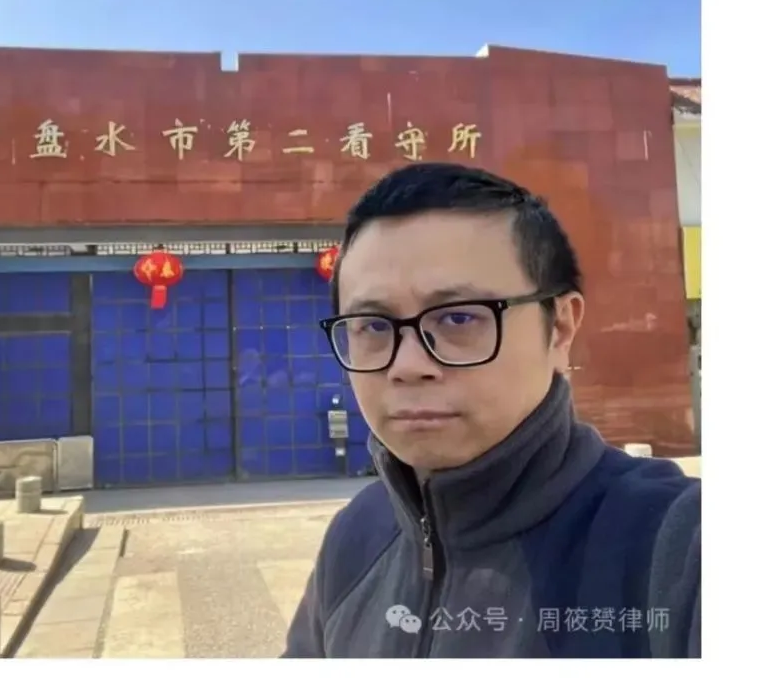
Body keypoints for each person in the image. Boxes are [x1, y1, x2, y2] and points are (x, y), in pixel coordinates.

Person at [283, 162, 700, 659]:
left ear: (560, 328)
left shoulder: (676, 550)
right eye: (372, 326)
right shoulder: (356, 538)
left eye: (459, 318)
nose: (408, 366)